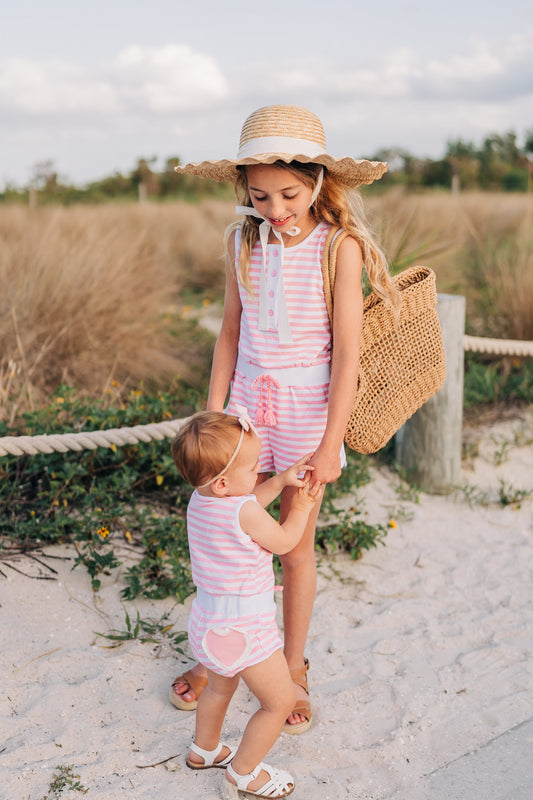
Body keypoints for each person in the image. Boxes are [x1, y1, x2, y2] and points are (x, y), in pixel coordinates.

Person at [170, 104, 400, 734]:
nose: (275, 209)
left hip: (306, 411)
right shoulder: (242, 240)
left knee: (293, 547)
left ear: (319, 183)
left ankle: (290, 666)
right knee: (227, 535)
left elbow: (348, 353)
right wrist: (216, 414)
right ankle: (217, 657)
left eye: (290, 194)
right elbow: (229, 333)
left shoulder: (339, 247)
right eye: (260, 194)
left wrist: (331, 442)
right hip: (244, 408)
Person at [171, 408, 323, 798]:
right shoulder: (243, 512)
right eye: (253, 466)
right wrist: (301, 507)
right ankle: (243, 772)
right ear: (223, 483)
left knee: (220, 690)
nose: (259, 472)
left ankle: (204, 750)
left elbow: (246, 502)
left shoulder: (200, 500)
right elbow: (285, 540)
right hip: (247, 629)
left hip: (208, 623)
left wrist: (281, 480)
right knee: (279, 701)